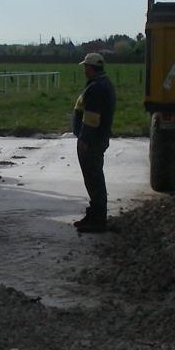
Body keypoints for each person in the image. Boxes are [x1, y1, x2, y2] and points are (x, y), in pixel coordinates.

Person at [71, 52, 116, 233]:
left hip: (92, 141)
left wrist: (85, 140)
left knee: (94, 179)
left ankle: (98, 220)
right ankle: (93, 215)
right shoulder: (100, 84)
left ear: (91, 68)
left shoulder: (97, 88)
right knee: (92, 178)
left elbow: (91, 118)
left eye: (85, 67)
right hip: (95, 139)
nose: (84, 70)